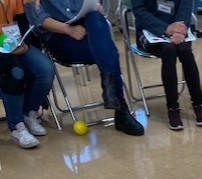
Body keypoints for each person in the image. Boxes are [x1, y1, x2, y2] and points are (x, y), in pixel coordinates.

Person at [24, 0, 144, 136]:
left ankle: (113, 93)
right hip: (59, 36)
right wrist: (68, 29)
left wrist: (97, 6)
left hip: (87, 29)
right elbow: (38, 19)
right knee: (108, 51)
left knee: (96, 18)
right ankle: (120, 108)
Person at [131, 0, 202, 130]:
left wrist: (178, 31)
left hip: (179, 30)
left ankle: (199, 103)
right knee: (169, 50)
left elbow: (185, 6)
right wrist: (166, 29)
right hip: (148, 31)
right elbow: (140, 11)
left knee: (185, 50)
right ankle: (172, 107)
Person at [0, 0, 54, 148]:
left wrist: (23, 45)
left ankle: (28, 113)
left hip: (11, 40)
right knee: (16, 72)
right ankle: (17, 126)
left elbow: (22, 22)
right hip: (3, 45)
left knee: (45, 70)